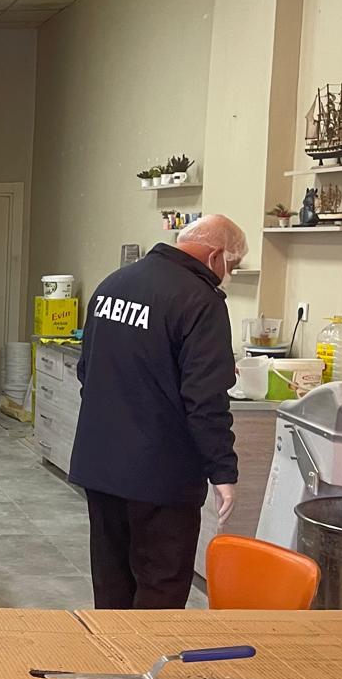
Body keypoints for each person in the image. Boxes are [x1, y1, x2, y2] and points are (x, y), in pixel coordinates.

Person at [68, 214, 247, 610]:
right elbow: (205, 399)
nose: (229, 274)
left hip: (101, 465)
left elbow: (87, 370)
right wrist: (222, 471)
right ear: (215, 255)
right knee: (161, 586)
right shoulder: (200, 301)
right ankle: (146, 652)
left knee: (112, 579)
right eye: (232, 265)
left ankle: (111, 648)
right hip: (161, 475)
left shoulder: (113, 284)